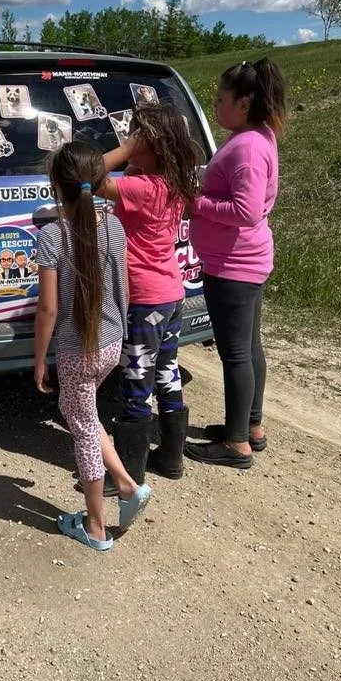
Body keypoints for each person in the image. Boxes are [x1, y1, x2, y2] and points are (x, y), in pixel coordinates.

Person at [34, 141, 151, 552]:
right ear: (99, 182)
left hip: (75, 349)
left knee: (81, 426)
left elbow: (47, 310)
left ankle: (97, 527)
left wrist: (38, 360)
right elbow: (127, 285)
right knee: (79, 410)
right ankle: (125, 484)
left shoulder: (51, 235)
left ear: (55, 184)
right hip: (110, 341)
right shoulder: (114, 225)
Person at [186, 58, 287, 469]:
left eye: (220, 99)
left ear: (244, 103)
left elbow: (244, 210)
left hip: (234, 265)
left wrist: (196, 202)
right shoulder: (259, 135)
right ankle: (250, 425)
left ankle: (236, 444)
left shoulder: (246, 146)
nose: (215, 105)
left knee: (236, 354)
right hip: (246, 258)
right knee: (249, 347)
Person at [98, 103, 200, 485]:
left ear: (149, 142)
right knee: (167, 372)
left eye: (135, 134)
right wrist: (136, 156)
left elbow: (85, 175)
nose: (126, 138)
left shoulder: (140, 189)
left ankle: (129, 471)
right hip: (171, 293)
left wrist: (125, 151)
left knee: (136, 379)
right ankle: (171, 457)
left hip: (144, 298)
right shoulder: (171, 181)